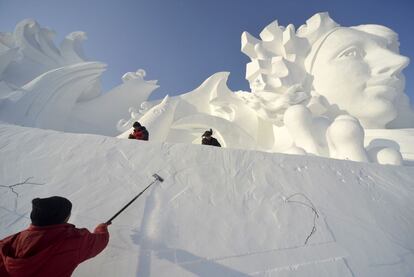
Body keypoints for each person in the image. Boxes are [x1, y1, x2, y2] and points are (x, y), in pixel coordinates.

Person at [0, 196, 110, 277]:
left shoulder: (10, 241)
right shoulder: (73, 241)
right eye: (68, 214)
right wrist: (102, 228)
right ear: (62, 218)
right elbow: (100, 241)